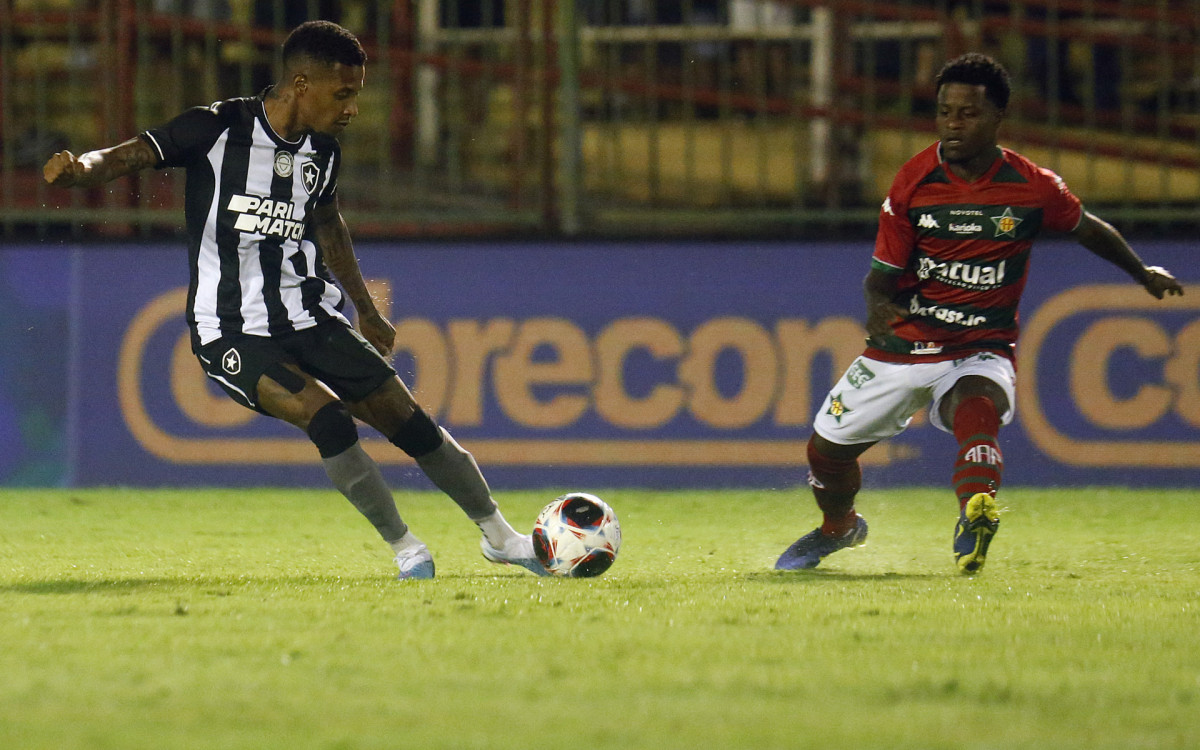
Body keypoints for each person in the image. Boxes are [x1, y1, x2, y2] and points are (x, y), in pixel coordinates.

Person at [43, 20, 546, 580]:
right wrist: (80, 168)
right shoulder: (217, 128)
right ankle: (406, 547)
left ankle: (502, 538)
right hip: (231, 329)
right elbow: (133, 155)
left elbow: (327, 221)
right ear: (302, 84)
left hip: (310, 316)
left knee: (409, 422)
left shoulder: (322, 152)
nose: (353, 108)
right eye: (344, 94)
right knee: (327, 418)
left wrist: (366, 306)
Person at [775, 52, 1183, 575]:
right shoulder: (915, 182)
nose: (953, 123)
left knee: (979, 411)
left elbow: (1086, 226)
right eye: (945, 111)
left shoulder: (1032, 184)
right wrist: (878, 306)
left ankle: (975, 512)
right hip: (905, 343)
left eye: (967, 113)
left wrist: (1140, 271)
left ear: (996, 119)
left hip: (981, 345)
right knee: (826, 451)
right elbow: (881, 273)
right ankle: (839, 528)